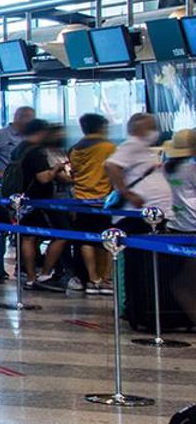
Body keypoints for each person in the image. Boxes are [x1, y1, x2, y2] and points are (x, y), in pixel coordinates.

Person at [17, 121, 73, 292]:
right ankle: (45, 274)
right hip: (42, 201)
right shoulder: (37, 154)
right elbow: (44, 178)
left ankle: (31, 277)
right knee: (61, 234)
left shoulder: (21, 149)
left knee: (29, 237)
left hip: (26, 200)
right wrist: (56, 169)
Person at [68, 113, 118, 295]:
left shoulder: (75, 149)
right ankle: (105, 280)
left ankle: (92, 279)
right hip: (102, 200)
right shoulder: (108, 147)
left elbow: (74, 173)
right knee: (105, 240)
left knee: (86, 241)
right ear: (100, 127)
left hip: (81, 199)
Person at [107, 112, 174, 215]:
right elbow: (111, 165)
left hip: (152, 211)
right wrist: (127, 194)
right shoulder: (133, 144)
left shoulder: (143, 147)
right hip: (138, 213)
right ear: (137, 129)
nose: (154, 131)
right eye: (150, 127)